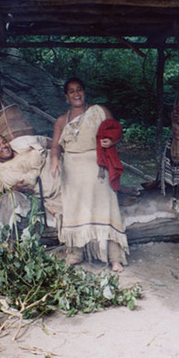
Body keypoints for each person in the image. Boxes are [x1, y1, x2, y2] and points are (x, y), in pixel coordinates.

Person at [50, 77, 129, 272]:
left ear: (84, 92)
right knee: (75, 210)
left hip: (97, 168)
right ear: (66, 96)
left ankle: (115, 257)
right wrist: (54, 160)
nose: (76, 94)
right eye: (71, 91)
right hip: (73, 172)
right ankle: (75, 253)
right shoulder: (62, 120)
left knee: (107, 209)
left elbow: (116, 132)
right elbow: (55, 146)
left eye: (79, 90)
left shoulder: (99, 112)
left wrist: (110, 142)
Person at [0, 133, 61, 227]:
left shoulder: (21, 143)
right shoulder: (0, 172)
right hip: (50, 193)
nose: (4, 146)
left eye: (4, 142)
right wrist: (15, 188)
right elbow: (6, 192)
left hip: (61, 169)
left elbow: (47, 142)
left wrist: (62, 152)